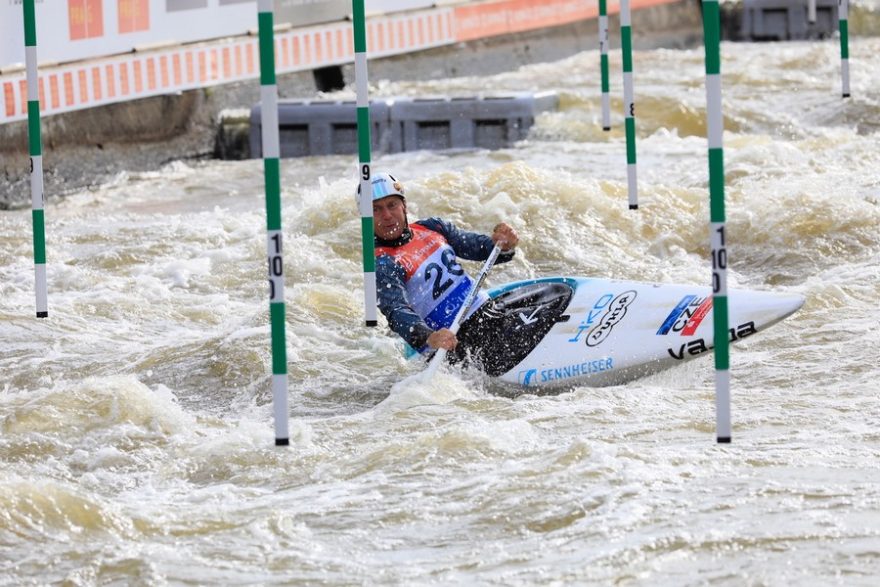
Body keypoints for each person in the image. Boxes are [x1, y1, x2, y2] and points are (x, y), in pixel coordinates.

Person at [360, 171, 519, 360]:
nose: (386, 215)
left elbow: (477, 247)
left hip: (486, 311)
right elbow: (397, 312)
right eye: (375, 210)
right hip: (452, 339)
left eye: (392, 205)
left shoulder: (432, 227)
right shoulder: (382, 264)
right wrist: (429, 337)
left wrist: (501, 244)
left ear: (404, 206)